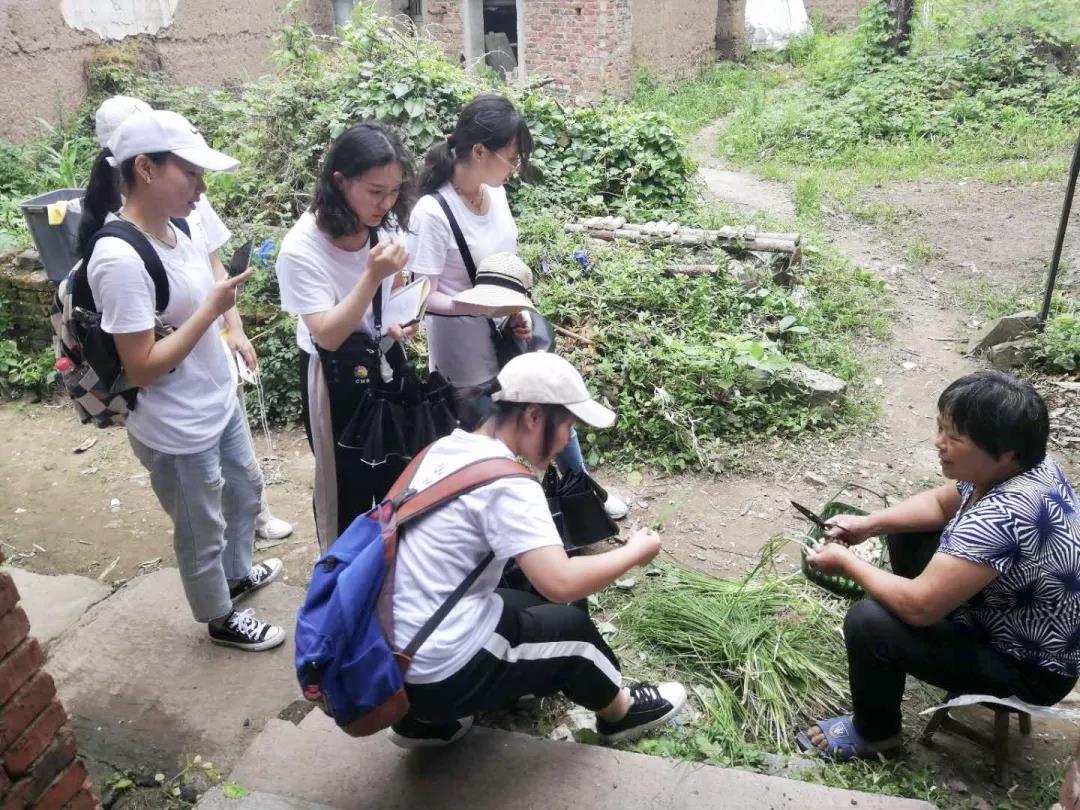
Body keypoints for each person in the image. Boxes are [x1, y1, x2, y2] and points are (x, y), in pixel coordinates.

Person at [387, 351, 686, 748]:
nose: (565, 441)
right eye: (567, 427)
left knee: (523, 602)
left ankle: (422, 721)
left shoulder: (443, 450)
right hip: (437, 672)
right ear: (532, 416)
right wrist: (634, 552)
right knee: (573, 630)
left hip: (391, 658)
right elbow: (561, 584)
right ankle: (622, 713)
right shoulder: (508, 484)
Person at [80, 109, 285, 650]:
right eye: (190, 174)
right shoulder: (119, 258)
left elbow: (204, 291)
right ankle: (219, 616)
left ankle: (236, 577)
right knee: (201, 528)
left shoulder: (182, 227)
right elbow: (142, 365)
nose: (201, 188)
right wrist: (212, 311)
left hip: (215, 399)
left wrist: (228, 322)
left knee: (245, 491)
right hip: (174, 425)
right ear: (145, 169)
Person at [798, 370, 1079, 760]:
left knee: (868, 623)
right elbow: (939, 504)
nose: (939, 442)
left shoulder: (1004, 515)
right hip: (1009, 613)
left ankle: (876, 734)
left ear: (1005, 453)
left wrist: (846, 563)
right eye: (940, 428)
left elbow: (920, 608)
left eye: (955, 437)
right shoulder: (1026, 463)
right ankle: (917, 641)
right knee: (902, 531)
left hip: (1028, 669)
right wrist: (869, 524)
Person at [408, 94, 629, 519]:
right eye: (511, 158)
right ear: (479, 152)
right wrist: (476, 307)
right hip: (464, 357)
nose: (515, 168)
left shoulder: (496, 195)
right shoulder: (431, 213)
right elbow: (421, 295)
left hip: (510, 334)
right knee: (485, 442)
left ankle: (580, 493)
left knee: (550, 405)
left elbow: (506, 266)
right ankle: (501, 519)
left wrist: (516, 309)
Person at [276, 121, 417, 553]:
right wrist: (372, 276)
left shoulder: (385, 223)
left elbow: (394, 289)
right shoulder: (302, 248)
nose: (386, 203)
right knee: (345, 487)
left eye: (394, 191)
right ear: (340, 181)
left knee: (395, 476)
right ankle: (340, 576)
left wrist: (399, 319)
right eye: (375, 191)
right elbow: (328, 335)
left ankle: (388, 569)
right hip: (333, 375)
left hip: (383, 360)